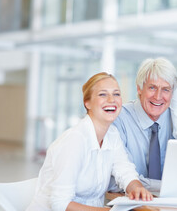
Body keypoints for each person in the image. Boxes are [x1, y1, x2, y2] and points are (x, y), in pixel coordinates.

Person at [27, 72, 152, 211]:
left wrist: (137, 187)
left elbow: (124, 170)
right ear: (87, 103)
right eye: (103, 94)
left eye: (116, 94)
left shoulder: (112, 134)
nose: (112, 99)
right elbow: (60, 203)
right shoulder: (75, 140)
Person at [109, 57, 177, 192]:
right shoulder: (119, 119)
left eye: (165, 89)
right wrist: (170, 186)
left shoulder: (176, 120)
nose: (158, 97)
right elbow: (115, 180)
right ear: (139, 88)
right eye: (152, 87)